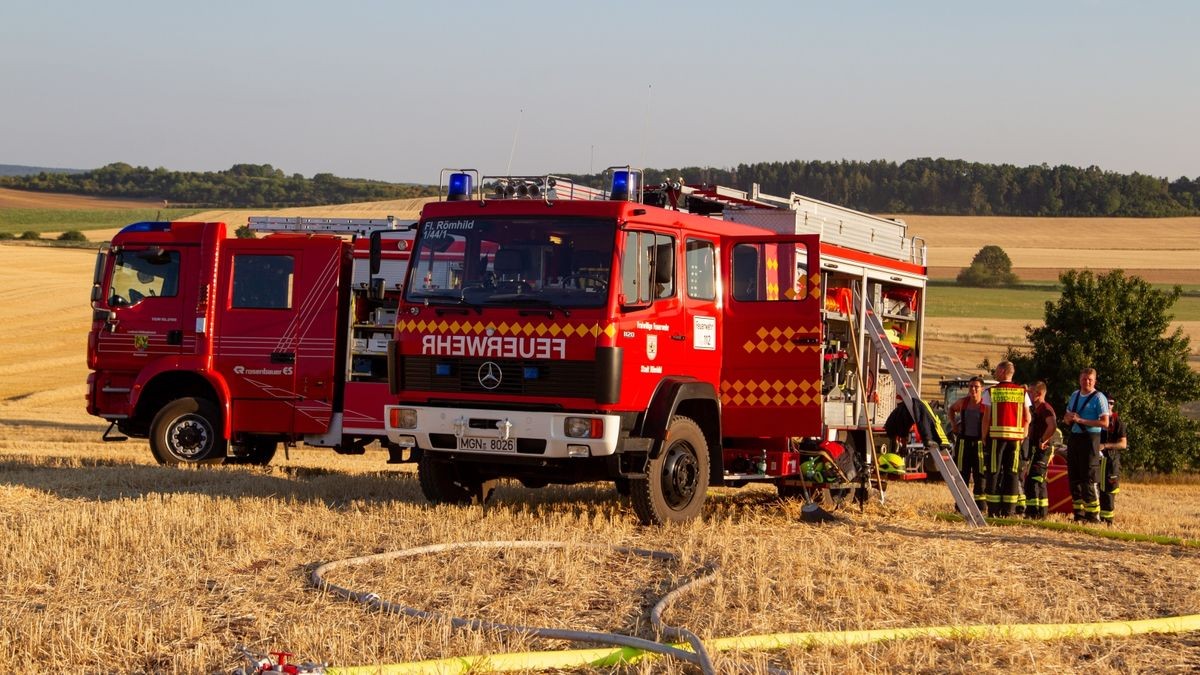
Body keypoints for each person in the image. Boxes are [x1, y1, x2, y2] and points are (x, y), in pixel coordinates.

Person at [981, 361, 1030, 517]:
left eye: (996, 370)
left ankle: (994, 510)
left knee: (994, 472)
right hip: (1015, 439)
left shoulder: (991, 392)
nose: (995, 373)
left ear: (1002, 371)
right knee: (1012, 473)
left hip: (996, 438)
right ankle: (1009, 510)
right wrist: (1023, 435)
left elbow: (986, 418)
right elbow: (1028, 417)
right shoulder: (1022, 392)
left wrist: (983, 436)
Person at [1063, 368, 1110, 523]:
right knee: (1074, 478)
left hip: (1090, 438)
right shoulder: (1074, 395)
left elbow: (1105, 423)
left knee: (1088, 478)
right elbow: (1067, 417)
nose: (1087, 382)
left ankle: (1093, 516)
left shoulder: (1099, 398)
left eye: (1090, 379)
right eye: (1084, 379)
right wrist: (1068, 419)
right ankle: (1078, 514)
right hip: (1075, 438)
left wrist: (1082, 421)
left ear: (1095, 381)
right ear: (1079, 380)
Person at [948, 376, 988, 512]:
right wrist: (953, 424)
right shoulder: (963, 402)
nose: (973, 389)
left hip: (979, 444)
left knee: (980, 475)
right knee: (961, 474)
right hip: (963, 443)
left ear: (982, 389)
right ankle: (961, 506)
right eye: (970, 386)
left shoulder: (986, 405)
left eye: (976, 387)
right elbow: (951, 409)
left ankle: (980, 508)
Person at [1023, 381, 1058, 519]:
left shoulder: (1045, 408)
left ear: (1039, 394)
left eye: (1031, 392)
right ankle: (1034, 512)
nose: (1029, 395)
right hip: (1035, 448)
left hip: (1042, 449)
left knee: (1036, 479)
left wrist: (1043, 440)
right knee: (1033, 480)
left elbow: (1052, 426)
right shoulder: (1037, 409)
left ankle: (1038, 513)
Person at [1098, 396, 1127, 525]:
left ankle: (1107, 521)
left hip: (1110, 460)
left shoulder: (1118, 422)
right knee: (1094, 488)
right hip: (1096, 459)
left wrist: (1105, 445)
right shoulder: (1096, 419)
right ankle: (1094, 518)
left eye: (1111, 403)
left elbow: (1123, 444)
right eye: (1107, 402)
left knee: (1108, 490)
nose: (1109, 405)